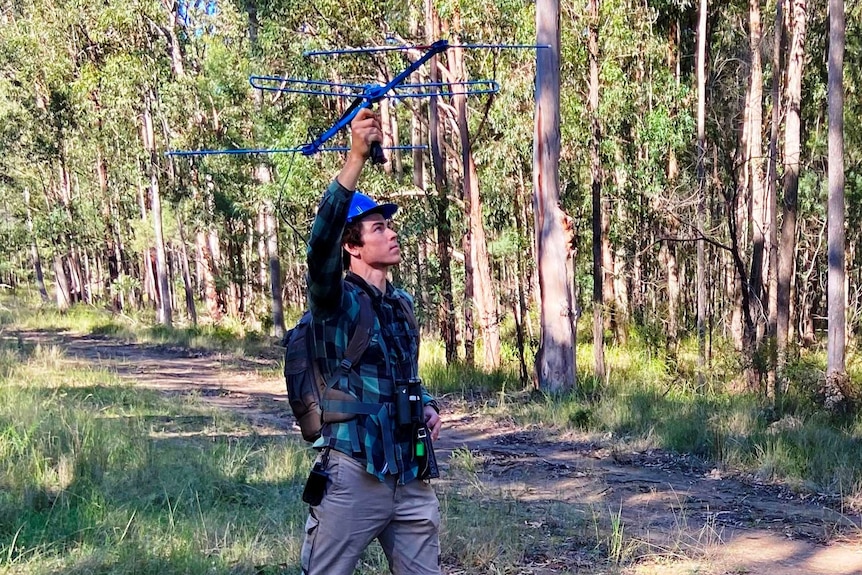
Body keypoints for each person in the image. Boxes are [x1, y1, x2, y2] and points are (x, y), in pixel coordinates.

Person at [300, 107, 443, 575]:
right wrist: (354, 160)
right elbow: (319, 246)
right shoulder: (335, 301)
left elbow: (406, 374)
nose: (392, 233)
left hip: (409, 470)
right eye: (378, 228)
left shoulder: (401, 303)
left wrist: (426, 404)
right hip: (354, 471)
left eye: (390, 225)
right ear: (353, 245)